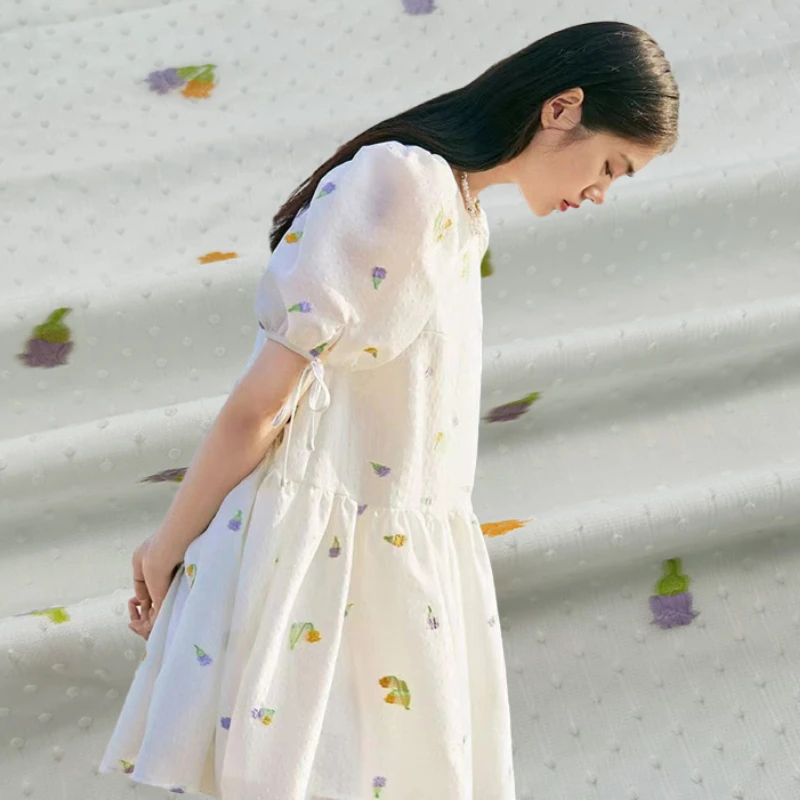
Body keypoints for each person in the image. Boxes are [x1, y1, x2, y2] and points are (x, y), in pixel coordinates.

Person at [99, 19, 679, 800]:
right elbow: (262, 406)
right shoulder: (403, 182)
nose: (602, 192)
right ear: (561, 108)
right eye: (611, 165)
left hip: (386, 580)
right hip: (314, 573)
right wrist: (168, 543)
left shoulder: (461, 214)